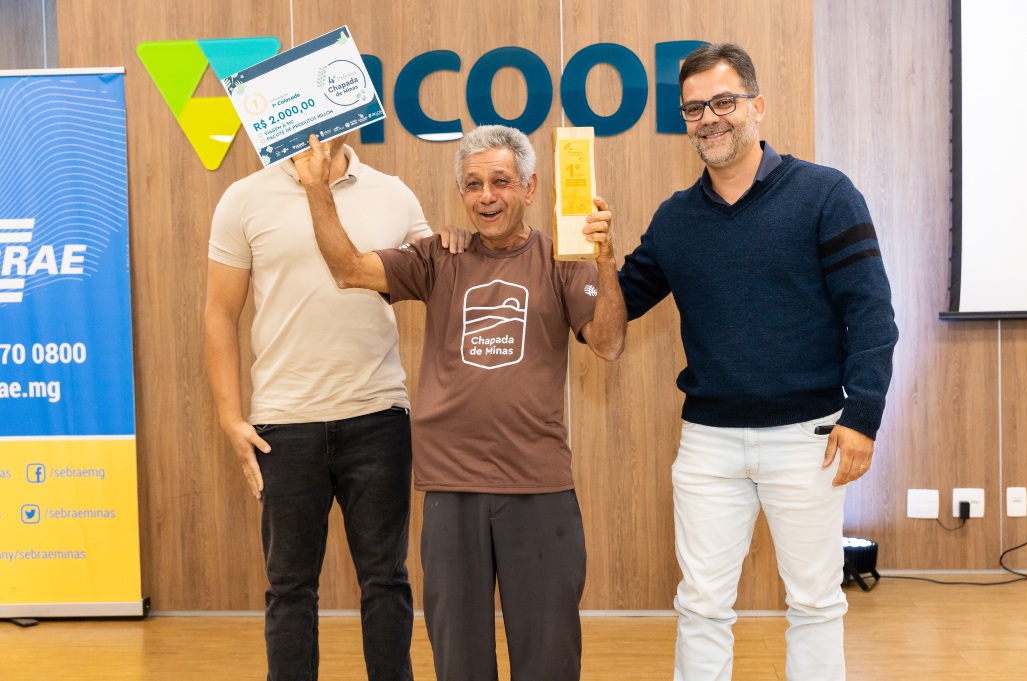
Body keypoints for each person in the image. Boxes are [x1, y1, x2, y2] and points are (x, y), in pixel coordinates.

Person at [292, 125, 626, 681]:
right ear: (461, 194)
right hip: (451, 488)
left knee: (549, 662)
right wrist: (317, 190)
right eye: (473, 185)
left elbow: (609, 344)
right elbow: (349, 268)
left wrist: (606, 259)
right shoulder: (437, 256)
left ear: (530, 187)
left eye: (501, 181)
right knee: (460, 665)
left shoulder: (563, 259)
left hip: (538, 487)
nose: (486, 196)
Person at [617, 43, 898, 681]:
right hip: (708, 443)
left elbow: (871, 314)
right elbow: (615, 306)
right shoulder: (675, 219)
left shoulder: (826, 194)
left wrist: (863, 416)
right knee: (701, 604)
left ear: (757, 105)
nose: (709, 118)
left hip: (809, 438)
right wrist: (587, 252)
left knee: (816, 603)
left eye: (723, 101)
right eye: (694, 108)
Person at [204, 135, 467, 681]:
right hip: (283, 425)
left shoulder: (393, 193)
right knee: (290, 587)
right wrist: (231, 419)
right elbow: (219, 313)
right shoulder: (243, 198)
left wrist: (454, 238)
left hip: (378, 418)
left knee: (386, 580)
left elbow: (441, 278)